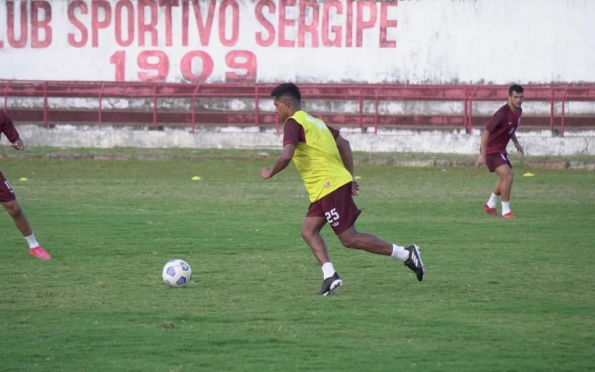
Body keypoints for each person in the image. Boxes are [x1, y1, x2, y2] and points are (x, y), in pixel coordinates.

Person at [260, 83, 424, 296]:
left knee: (349, 239)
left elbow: (286, 155)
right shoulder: (316, 123)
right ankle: (330, 276)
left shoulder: (293, 123)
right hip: (325, 188)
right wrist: (349, 176)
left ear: (286, 103)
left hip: (329, 186)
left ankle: (406, 254)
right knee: (308, 231)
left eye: (276, 105)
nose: (275, 110)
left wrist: (269, 172)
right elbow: (344, 144)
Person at [0, 111, 51, 260]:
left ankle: (34, 246)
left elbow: (16, 139)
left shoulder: (2, 118)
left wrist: (17, 143)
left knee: (14, 209)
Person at [476, 84, 525, 219]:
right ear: (509, 97)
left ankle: (490, 206)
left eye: (521, 97)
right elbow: (486, 132)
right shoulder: (502, 113)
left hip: (500, 150)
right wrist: (483, 155)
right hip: (491, 150)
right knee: (508, 176)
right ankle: (506, 212)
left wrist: (516, 143)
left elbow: (510, 129)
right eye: (516, 97)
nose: (519, 100)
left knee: (505, 177)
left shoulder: (519, 111)